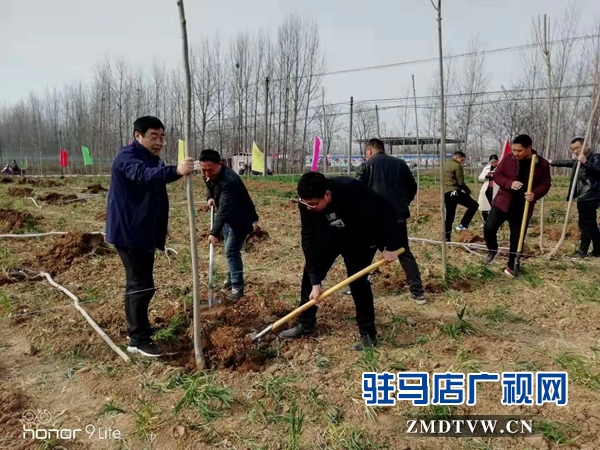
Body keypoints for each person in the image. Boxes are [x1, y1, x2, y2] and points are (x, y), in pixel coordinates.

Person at [278, 172, 402, 350]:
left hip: (359, 238)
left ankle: (368, 334)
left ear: (327, 195)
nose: (309, 208)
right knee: (309, 274)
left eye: (313, 204)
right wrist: (315, 282)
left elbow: (387, 211)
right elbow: (308, 237)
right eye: (306, 203)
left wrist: (390, 246)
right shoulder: (306, 203)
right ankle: (306, 324)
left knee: (358, 282)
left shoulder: (351, 189)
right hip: (329, 236)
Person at [106, 116, 195, 358]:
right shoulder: (127, 157)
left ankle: (138, 328)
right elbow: (144, 176)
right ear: (138, 136)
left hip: (143, 229)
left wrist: (159, 226)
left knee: (139, 283)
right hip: (129, 232)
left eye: (161, 137)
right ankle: (138, 339)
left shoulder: (150, 158)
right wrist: (176, 170)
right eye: (153, 137)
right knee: (140, 285)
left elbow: (154, 195)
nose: (158, 142)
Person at [353, 138, 426, 304]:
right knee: (404, 253)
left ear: (370, 150)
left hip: (373, 218)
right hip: (397, 217)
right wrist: (403, 203)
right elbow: (412, 186)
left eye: (366, 152)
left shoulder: (366, 166)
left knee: (364, 252)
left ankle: (355, 285)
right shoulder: (400, 164)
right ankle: (417, 291)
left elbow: (355, 190)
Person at [483, 134, 551, 277]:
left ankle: (512, 266)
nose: (515, 153)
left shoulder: (541, 163)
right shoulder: (508, 159)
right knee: (489, 227)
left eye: (519, 150)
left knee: (517, 238)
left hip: (523, 207)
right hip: (503, 202)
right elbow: (497, 175)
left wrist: (534, 194)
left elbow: (546, 184)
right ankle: (492, 249)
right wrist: (509, 184)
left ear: (529, 148)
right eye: (514, 150)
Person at [200, 149, 259, 300]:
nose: (206, 174)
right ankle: (230, 278)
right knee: (229, 249)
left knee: (231, 251)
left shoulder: (230, 181)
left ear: (220, 164)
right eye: (203, 169)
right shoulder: (208, 173)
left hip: (240, 219)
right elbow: (208, 184)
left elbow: (225, 208)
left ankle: (237, 287)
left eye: (210, 170)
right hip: (227, 218)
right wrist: (210, 196)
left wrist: (213, 232)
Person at [549, 137, 600, 258]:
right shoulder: (578, 159)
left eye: (577, 148)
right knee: (590, 224)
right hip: (582, 195)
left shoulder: (595, 157)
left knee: (586, 224)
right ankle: (598, 250)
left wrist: (585, 161)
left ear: (586, 145)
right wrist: (551, 162)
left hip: (590, 195)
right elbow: (567, 163)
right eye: (573, 149)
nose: (575, 151)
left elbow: (598, 171)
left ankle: (583, 251)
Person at [443, 151, 479, 240]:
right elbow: (460, 182)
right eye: (462, 160)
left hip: (446, 193)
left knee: (449, 216)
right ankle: (463, 224)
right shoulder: (457, 166)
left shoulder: (445, 164)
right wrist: (467, 190)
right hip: (454, 192)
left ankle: (446, 237)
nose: (462, 162)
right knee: (474, 205)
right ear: (457, 158)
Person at [478, 154, 500, 223]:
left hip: (496, 189)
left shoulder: (500, 168)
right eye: (492, 162)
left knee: (495, 207)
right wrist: (487, 176)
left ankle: (494, 222)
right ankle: (485, 222)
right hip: (487, 189)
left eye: (495, 162)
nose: (493, 164)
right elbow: (480, 178)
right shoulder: (486, 168)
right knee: (484, 206)